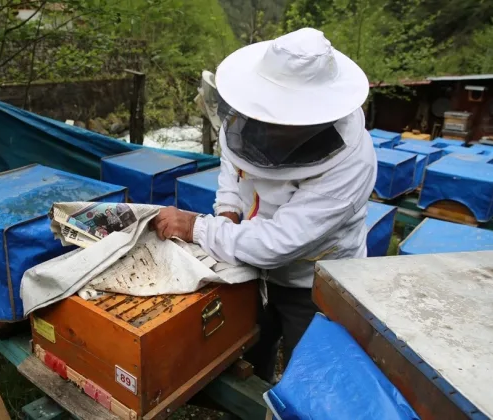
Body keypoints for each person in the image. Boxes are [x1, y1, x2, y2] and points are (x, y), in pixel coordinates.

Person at [152, 28, 377, 382]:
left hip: (315, 280)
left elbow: (277, 243)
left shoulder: (352, 164)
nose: (269, 128)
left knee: (310, 374)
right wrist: (226, 210)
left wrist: (197, 226)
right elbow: (234, 162)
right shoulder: (248, 117)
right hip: (249, 267)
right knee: (248, 348)